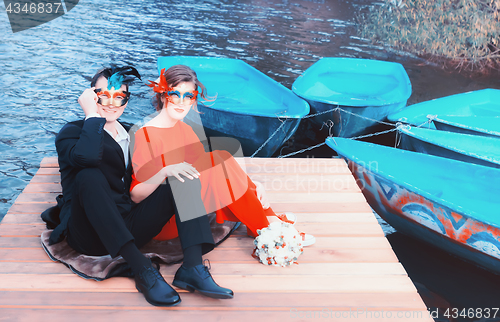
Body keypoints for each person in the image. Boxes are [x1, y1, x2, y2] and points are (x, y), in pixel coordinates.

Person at [50, 65, 233, 307]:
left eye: (120, 96)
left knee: (181, 175)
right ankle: (143, 269)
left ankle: (193, 268)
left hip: (129, 223)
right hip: (88, 233)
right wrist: (92, 115)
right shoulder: (72, 132)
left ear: (126, 101)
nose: (111, 103)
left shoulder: (131, 132)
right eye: (103, 95)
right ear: (92, 97)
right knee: (88, 176)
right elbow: (88, 158)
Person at [130, 65, 315, 246]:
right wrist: (164, 171)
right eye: (174, 94)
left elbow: (208, 172)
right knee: (218, 158)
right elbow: (136, 196)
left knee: (219, 158)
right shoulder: (146, 135)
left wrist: (251, 185)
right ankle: (269, 227)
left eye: (188, 96)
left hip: (187, 206)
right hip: (163, 220)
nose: (181, 102)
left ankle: (266, 219)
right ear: (163, 95)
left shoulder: (184, 128)